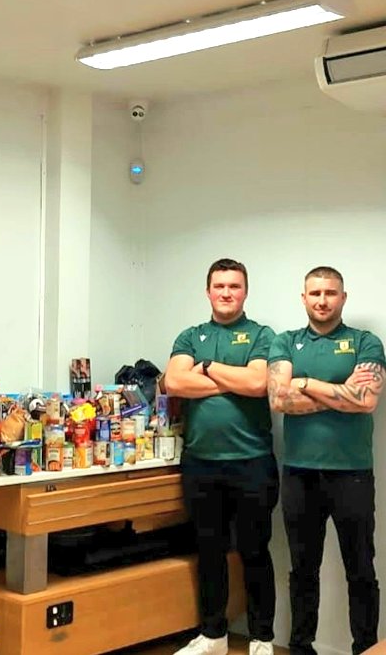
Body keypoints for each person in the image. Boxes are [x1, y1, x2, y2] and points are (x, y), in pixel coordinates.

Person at [164, 258, 278, 655]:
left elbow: (260, 382)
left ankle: (262, 637)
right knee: (209, 550)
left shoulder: (263, 335)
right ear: (208, 291)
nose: (227, 292)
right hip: (201, 463)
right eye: (219, 286)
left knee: (254, 551)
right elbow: (175, 381)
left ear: (245, 291)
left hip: (252, 461)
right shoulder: (190, 335)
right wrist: (235, 381)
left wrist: (209, 369)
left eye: (234, 286)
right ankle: (213, 635)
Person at [268, 266, 384, 655]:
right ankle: (301, 647)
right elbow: (278, 399)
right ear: (303, 298)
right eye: (314, 293)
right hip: (299, 473)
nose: (322, 300)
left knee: (361, 570)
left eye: (330, 293)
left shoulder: (365, 342)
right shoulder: (285, 342)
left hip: (352, 474)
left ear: (343, 298)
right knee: (303, 570)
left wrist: (305, 383)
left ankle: (365, 648)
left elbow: (366, 401)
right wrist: (339, 393)